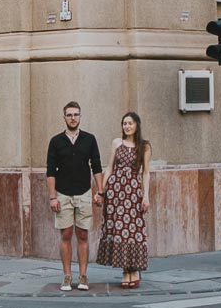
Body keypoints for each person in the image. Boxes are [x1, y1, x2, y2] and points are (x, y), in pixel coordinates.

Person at [46, 101, 104, 292]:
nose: (73, 118)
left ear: (80, 116)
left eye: (76, 115)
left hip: (84, 193)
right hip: (62, 194)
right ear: (64, 117)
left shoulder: (89, 139)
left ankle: (83, 276)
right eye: (69, 115)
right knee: (66, 234)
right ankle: (66, 276)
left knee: (83, 235)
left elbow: (96, 166)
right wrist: (52, 197)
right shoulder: (56, 141)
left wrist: (100, 191)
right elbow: (50, 171)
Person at [96, 111, 151, 288]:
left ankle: (133, 269)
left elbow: (146, 172)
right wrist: (101, 190)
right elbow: (110, 167)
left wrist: (146, 195)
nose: (127, 126)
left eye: (130, 123)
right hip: (116, 193)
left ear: (137, 125)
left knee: (133, 230)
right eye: (124, 123)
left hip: (133, 192)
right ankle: (124, 271)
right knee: (119, 229)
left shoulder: (144, 146)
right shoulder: (116, 143)